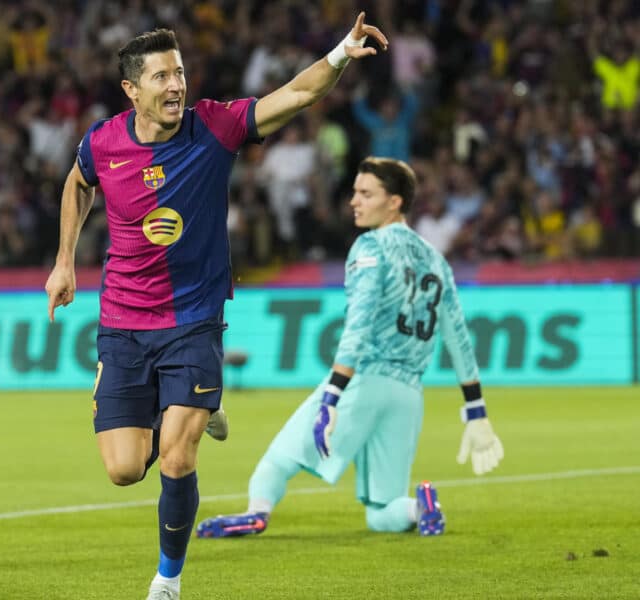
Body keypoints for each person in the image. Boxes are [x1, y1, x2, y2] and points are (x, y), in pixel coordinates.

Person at [44, 15, 388, 600]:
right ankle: (191, 405)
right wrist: (63, 261)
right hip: (123, 320)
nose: (175, 84)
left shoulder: (214, 126)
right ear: (133, 90)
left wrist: (339, 54)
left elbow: (298, 95)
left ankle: (167, 580)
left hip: (193, 320)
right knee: (125, 469)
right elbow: (79, 184)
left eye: (178, 72)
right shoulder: (102, 141)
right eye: (161, 76)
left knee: (178, 454)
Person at [196, 157, 504, 540]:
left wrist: (332, 396)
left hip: (364, 381)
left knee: (275, 463)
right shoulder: (436, 260)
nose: (354, 201)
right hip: (408, 394)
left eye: (366, 193)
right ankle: (419, 505)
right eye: (355, 192)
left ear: (394, 201)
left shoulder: (370, 247)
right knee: (382, 510)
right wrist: (475, 410)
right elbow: (457, 335)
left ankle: (256, 513)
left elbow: (358, 327)